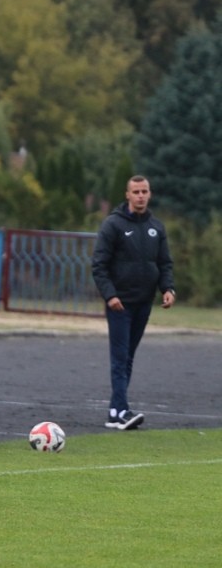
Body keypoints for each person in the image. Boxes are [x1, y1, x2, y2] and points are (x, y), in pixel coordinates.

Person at [91, 174, 176, 430]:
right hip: (120, 304)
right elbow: (99, 266)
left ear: (149, 194)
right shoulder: (113, 225)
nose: (140, 196)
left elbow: (164, 263)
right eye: (136, 191)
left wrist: (167, 288)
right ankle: (120, 412)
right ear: (127, 195)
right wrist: (110, 295)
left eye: (144, 191)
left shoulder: (156, 228)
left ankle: (115, 412)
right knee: (119, 357)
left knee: (128, 357)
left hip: (143, 302)